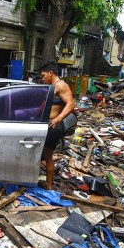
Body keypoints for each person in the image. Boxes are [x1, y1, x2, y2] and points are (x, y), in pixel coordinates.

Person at [39, 61, 75, 190]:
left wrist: (57, 119)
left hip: (53, 126)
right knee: (40, 155)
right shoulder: (51, 86)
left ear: (51, 73)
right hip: (46, 125)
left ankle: (48, 185)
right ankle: (40, 180)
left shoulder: (61, 85)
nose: (43, 78)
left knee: (48, 156)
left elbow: (71, 104)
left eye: (44, 76)